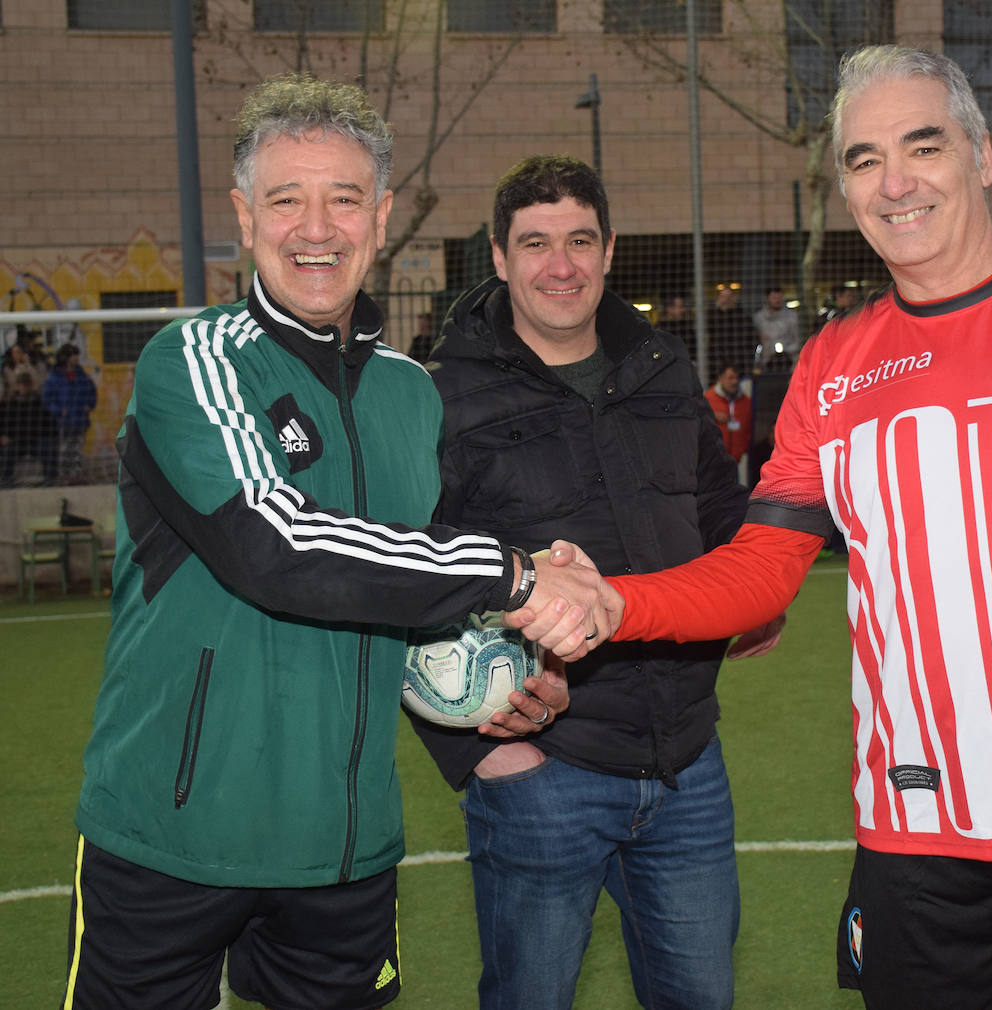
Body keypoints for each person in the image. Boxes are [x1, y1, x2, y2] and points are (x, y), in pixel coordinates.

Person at [523, 45, 992, 1010]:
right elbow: (762, 570)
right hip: (917, 840)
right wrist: (614, 600)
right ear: (844, 186)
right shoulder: (835, 364)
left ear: (983, 155)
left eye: (923, 145)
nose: (895, 182)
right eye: (864, 159)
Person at [62, 75, 605, 1010]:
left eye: (344, 198)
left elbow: (413, 575)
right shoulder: (191, 360)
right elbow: (275, 546)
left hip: (345, 845)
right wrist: (513, 575)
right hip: (172, 831)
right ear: (243, 214)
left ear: (381, 215)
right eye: (286, 199)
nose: (317, 227)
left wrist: (510, 665)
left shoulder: (410, 391)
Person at [413, 154, 780, 1010]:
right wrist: (484, 753)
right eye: (535, 243)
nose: (561, 265)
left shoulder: (661, 365)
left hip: (689, 762)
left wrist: (757, 591)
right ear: (499, 259)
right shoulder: (441, 399)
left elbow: (719, 505)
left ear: (609, 249)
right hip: (546, 770)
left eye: (579, 239)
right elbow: (409, 580)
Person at [41, 341, 97, 482]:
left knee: (78, 448)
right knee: (65, 449)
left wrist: (89, 405)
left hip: (80, 418)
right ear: (66, 357)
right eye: (74, 355)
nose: (77, 358)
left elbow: (91, 390)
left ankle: (76, 475)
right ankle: (64, 475)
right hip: (64, 420)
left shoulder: (81, 375)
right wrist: (59, 411)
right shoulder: (54, 377)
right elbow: (47, 399)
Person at [0, 369, 57, 486]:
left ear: (31, 385)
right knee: (6, 451)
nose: (24, 388)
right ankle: (6, 482)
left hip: (35, 441)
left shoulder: (39, 403)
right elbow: (3, 423)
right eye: (21, 385)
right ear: (17, 386)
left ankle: (50, 481)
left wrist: (47, 437)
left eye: (26, 385)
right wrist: (3, 436)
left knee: (48, 448)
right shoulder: (10, 405)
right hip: (16, 441)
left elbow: (49, 424)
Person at [704, 363, 752, 463]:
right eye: (730, 378)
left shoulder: (746, 402)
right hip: (712, 461)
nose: (734, 381)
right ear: (720, 378)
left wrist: (743, 449)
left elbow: (749, 429)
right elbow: (697, 419)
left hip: (735, 460)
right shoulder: (707, 399)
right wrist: (712, 415)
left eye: (736, 378)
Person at [706, 284, 754, 379]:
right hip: (718, 362)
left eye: (729, 297)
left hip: (739, 361)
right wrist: (716, 308)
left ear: (734, 298)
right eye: (723, 297)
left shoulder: (743, 316)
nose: (726, 300)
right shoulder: (714, 316)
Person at [753, 284, 801, 372]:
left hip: (789, 362)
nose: (777, 300)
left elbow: (796, 340)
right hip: (766, 363)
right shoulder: (759, 318)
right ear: (767, 298)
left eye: (779, 297)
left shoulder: (792, 317)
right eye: (774, 298)